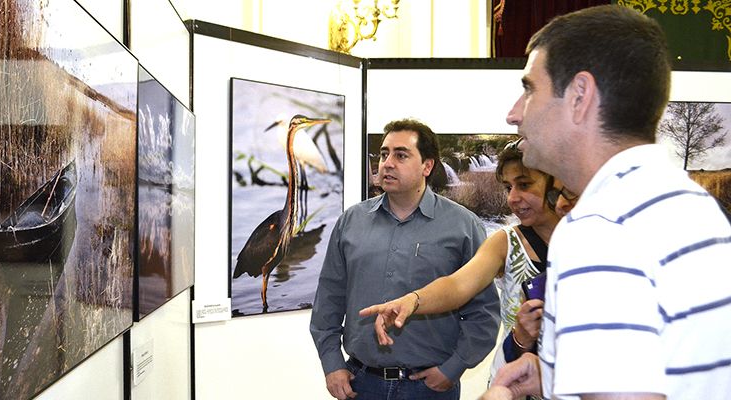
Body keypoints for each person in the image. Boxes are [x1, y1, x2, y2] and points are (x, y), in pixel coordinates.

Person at [481, 5, 731, 399]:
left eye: (529, 89)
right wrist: (554, 376)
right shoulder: (693, 206)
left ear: (580, 96)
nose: (514, 114)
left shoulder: (600, 229)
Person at [310, 118, 500, 400]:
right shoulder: (351, 222)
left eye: (400, 155)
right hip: (360, 383)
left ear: (427, 166)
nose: (386, 163)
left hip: (429, 388)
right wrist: (332, 364)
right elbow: (328, 301)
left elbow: (484, 312)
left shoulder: (463, 226)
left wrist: (454, 367)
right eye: (384, 154)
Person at [359, 142, 561, 382]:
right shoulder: (505, 243)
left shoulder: (598, 240)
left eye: (524, 184)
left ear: (557, 183)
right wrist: (412, 301)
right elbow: (458, 285)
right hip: (514, 382)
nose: (513, 198)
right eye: (508, 187)